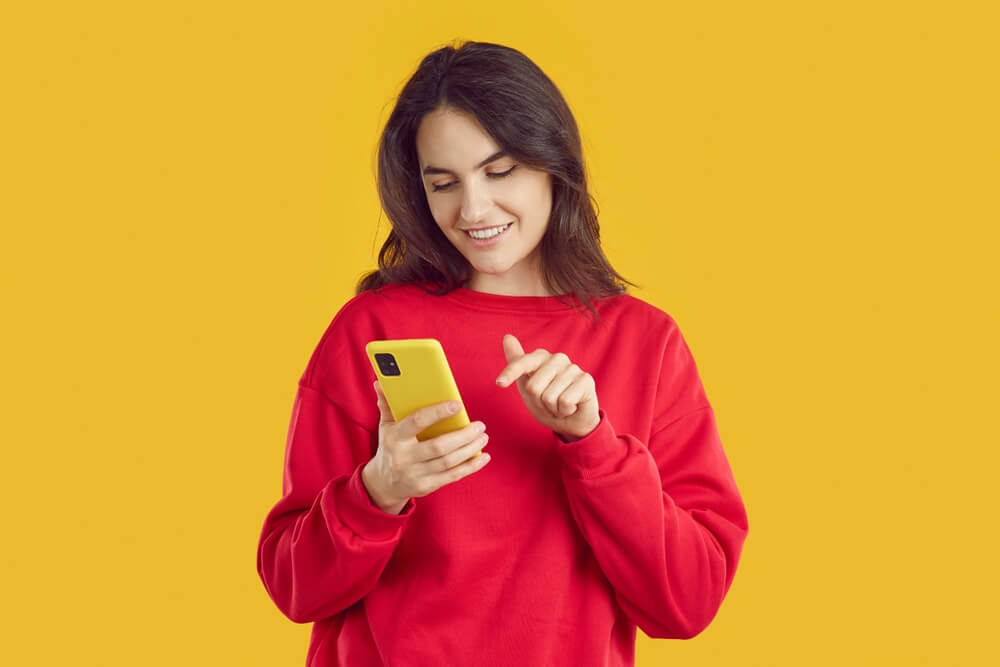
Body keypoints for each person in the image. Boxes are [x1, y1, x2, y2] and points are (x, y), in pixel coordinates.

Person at [256, 39, 749, 667]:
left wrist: (592, 445)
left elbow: (688, 602)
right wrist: (380, 489)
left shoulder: (645, 344)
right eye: (443, 183)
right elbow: (294, 586)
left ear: (553, 163)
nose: (473, 209)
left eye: (500, 171)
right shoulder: (371, 330)